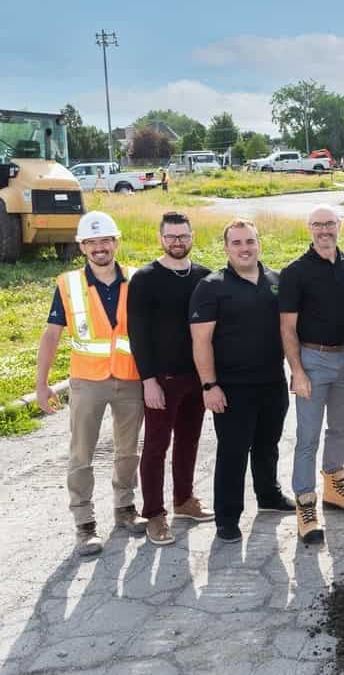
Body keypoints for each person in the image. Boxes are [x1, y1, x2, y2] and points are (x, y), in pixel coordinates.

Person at [36, 211, 146, 556]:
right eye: (92, 242)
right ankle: (84, 525)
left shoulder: (137, 279)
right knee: (81, 454)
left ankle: (126, 509)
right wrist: (42, 384)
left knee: (128, 451)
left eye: (106, 241)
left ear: (115, 243)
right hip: (87, 381)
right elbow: (52, 335)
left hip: (130, 379)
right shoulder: (68, 285)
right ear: (82, 247)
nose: (100, 247)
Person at [190, 219, 294, 543]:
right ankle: (228, 517)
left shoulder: (276, 281)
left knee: (268, 445)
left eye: (249, 241)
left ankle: (269, 496)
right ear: (226, 248)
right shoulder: (211, 287)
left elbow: (288, 331)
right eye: (236, 243)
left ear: (258, 244)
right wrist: (209, 385)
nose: (244, 248)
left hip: (272, 382)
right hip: (231, 387)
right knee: (233, 452)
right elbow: (201, 341)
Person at [279, 204, 344, 545]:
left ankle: (334, 487)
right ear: (309, 228)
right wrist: (297, 371)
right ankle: (306, 503)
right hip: (312, 360)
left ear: (339, 225)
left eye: (329, 223)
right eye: (317, 224)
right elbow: (287, 328)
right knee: (308, 437)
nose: (324, 230)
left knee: (340, 429)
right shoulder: (295, 272)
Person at [127, 211, 213, 546]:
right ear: (160, 238)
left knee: (189, 441)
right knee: (156, 446)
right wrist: (148, 379)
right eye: (171, 237)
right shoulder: (145, 278)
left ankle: (184, 500)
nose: (177, 242)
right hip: (162, 378)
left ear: (192, 236)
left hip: (196, 376)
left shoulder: (204, 277)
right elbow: (138, 333)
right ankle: (154, 514)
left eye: (183, 236)